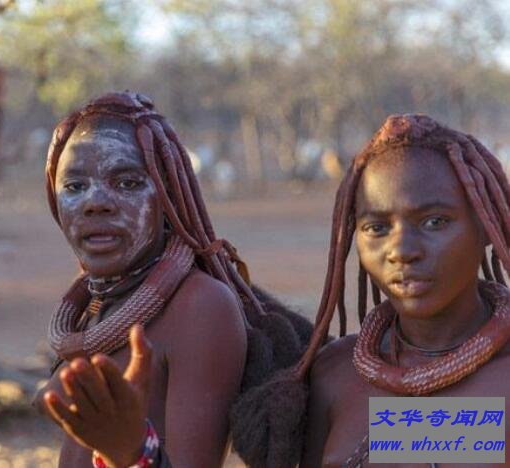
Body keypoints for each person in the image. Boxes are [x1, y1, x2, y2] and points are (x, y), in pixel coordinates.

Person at [35, 91, 311, 467]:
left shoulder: (200, 306)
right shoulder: (100, 303)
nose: (95, 202)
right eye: (74, 186)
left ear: (168, 196)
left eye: (127, 183)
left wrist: (132, 451)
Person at [296, 114, 510, 467]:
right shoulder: (335, 375)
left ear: (486, 226)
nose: (401, 250)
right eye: (377, 228)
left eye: (434, 222)